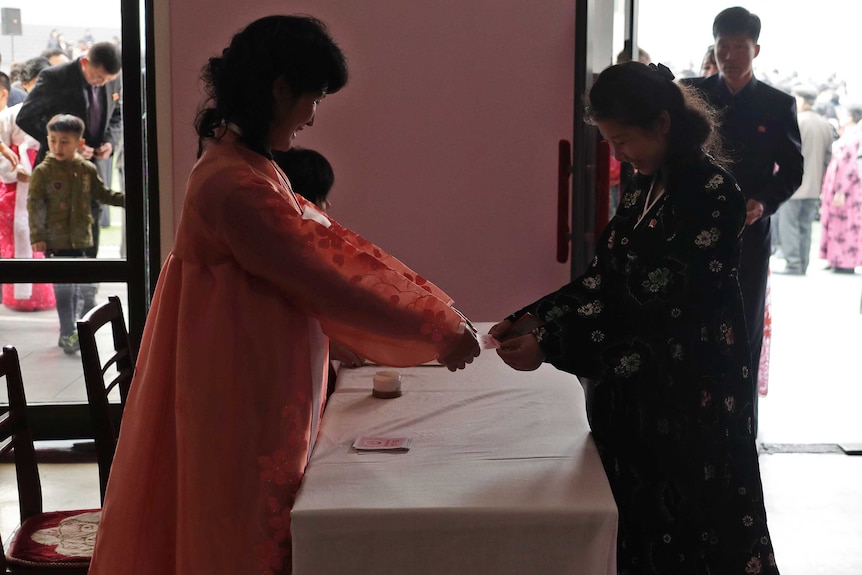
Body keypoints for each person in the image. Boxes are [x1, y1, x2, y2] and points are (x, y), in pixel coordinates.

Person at [88, 15, 479, 575]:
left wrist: (438, 315)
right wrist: (435, 327)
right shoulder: (235, 184)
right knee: (238, 528)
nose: (314, 116)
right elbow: (326, 274)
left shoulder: (248, 164)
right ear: (279, 89)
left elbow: (333, 248)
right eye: (314, 96)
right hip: (236, 382)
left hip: (248, 370)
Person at [490, 61, 779, 574]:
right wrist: (533, 317)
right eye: (611, 144)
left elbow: (656, 300)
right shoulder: (647, 184)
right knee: (638, 530)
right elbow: (607, 276)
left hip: (691, 392)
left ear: (663, 124)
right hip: (637, 391)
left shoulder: (713, 195)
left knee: (697, 533)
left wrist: (552, 343)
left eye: (624, 141)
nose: (619, 155)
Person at [682, 6, 803, 434]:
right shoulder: (690, 94)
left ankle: (740, 425)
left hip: (750, 233)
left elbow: (792, 171)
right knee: (691, 319)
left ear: (756, 49)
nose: (730, 54)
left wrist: (763, 204)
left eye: (739, 46)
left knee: (745, 325)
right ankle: (691, 416)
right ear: (713, 47)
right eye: (723, 46)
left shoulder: (777, 103)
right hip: (693, 228)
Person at [17, 41, 124, 319]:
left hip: (93, 169)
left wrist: (110, 143)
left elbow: (117, 115)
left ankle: (88, 314)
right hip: (58, 173)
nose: (102, 84)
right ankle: (68, 324)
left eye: (108, 81)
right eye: (98, 78)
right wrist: (65, 143)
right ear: (85, 63)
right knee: (64, 251)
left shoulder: (112, 81)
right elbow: (27, 116)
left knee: (91, 238)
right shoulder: (55, 77)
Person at [27, 114, 125, 353]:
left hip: (82, 239)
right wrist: (37, 236)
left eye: (65, 141)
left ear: (79, 144)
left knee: (85, 287)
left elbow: (102, 194)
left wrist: (127, 200)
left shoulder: (86, 169)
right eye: (53, 140)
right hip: (55, 241)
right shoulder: (43, 171)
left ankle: (81, 328)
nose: (58, 147)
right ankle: (67, 332)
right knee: (64, 288)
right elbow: (35, 204)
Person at [0, 57, 55, 312]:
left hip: (48, 186)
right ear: (26, 84)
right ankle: (16, 296)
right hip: (15, 188)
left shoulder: (59, 114)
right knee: (17, 238)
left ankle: (46, 296)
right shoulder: (10, 115)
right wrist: (15, 170)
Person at [775, 85, 834, 275]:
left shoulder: (797, 121)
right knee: (805, 227)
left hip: (794, 185)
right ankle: (803, 263)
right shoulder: (824, 124)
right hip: (814, 185)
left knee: (789, 225)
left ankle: (794, 263)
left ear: (801, 100)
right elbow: (828, 156)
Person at [819, 108, 862, 274]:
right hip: (840, 184)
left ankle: (845, 260)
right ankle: (835, 257)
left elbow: (850, 165)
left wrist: (841, 189)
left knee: (845, 223)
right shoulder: (851, 133)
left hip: (846, 188)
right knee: (835, 221)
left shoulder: (855, 135)